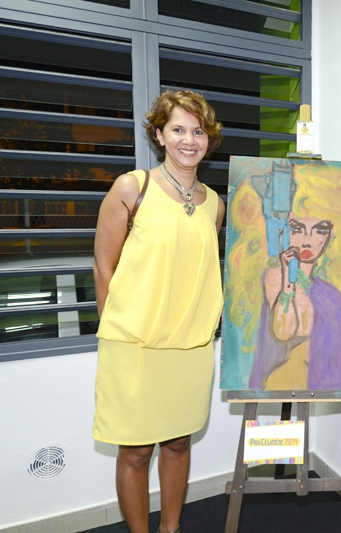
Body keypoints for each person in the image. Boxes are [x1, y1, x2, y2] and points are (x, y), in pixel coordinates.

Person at [92, 90, 225, 533]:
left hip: (190, 347)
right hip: (135, 346)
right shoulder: (133, 187)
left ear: (208, 139)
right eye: (178, 129)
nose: (189, 140)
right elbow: (104, 266)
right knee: (135, 452)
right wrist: (117, 329)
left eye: (198, 131)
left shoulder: (215, 204)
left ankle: (171, 528)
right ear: (160, 135)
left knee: (179, 443)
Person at [225, 162, 341, 391]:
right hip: (282, 381)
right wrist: (288, 286)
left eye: (320, 230)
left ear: (334, 233)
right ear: (282, 229)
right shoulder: (277, 276)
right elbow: (283, 332)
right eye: (298, 229)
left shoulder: (329, 284)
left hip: (329, 384)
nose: (308, 240)